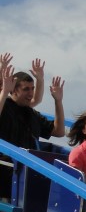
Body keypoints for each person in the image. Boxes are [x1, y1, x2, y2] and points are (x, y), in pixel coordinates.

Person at [0, 64, 65, 198]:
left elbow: (59, 132)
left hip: (27, 173)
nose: (30, 93)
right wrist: (5, 91)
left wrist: (58, 101)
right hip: (6, 169)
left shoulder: (32, 114)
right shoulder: (5, 107)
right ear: (14, 90)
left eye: (32, 88)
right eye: (26, 89)